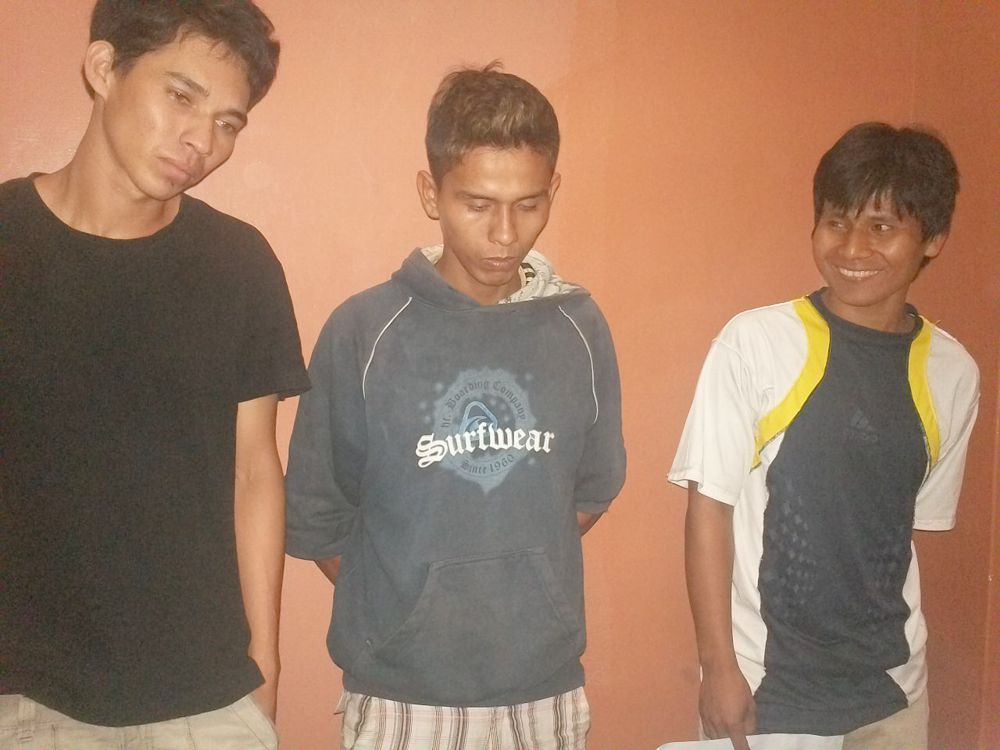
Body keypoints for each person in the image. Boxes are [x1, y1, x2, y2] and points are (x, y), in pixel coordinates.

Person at [285, 63, 626, 750]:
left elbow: (591, 490)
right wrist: (408, 609)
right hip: (401, 699)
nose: (505, 234)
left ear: (553, 190)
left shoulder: (579, 328)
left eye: (528, 204)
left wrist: (518, 577)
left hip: (544, 690)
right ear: (430, 193)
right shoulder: (364, 332)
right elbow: (318, 514)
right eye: (477, 204)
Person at [0, 1, 309, 747]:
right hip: (23, 693)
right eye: (181, 96)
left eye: (228, 123)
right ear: (104, 68)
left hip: (204, 697)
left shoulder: (238, 265)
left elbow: (254, 471)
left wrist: (265, 660)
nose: (202, 141)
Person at [668, 122, 980, 750]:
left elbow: (909, 526)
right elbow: (709, 508)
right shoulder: (756, 343)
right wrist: (719, 668)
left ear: (933, 239)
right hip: (764, 686)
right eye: (835, 222)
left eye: (882, 227)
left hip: (892, 693)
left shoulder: (953, 372)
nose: (852, 247)